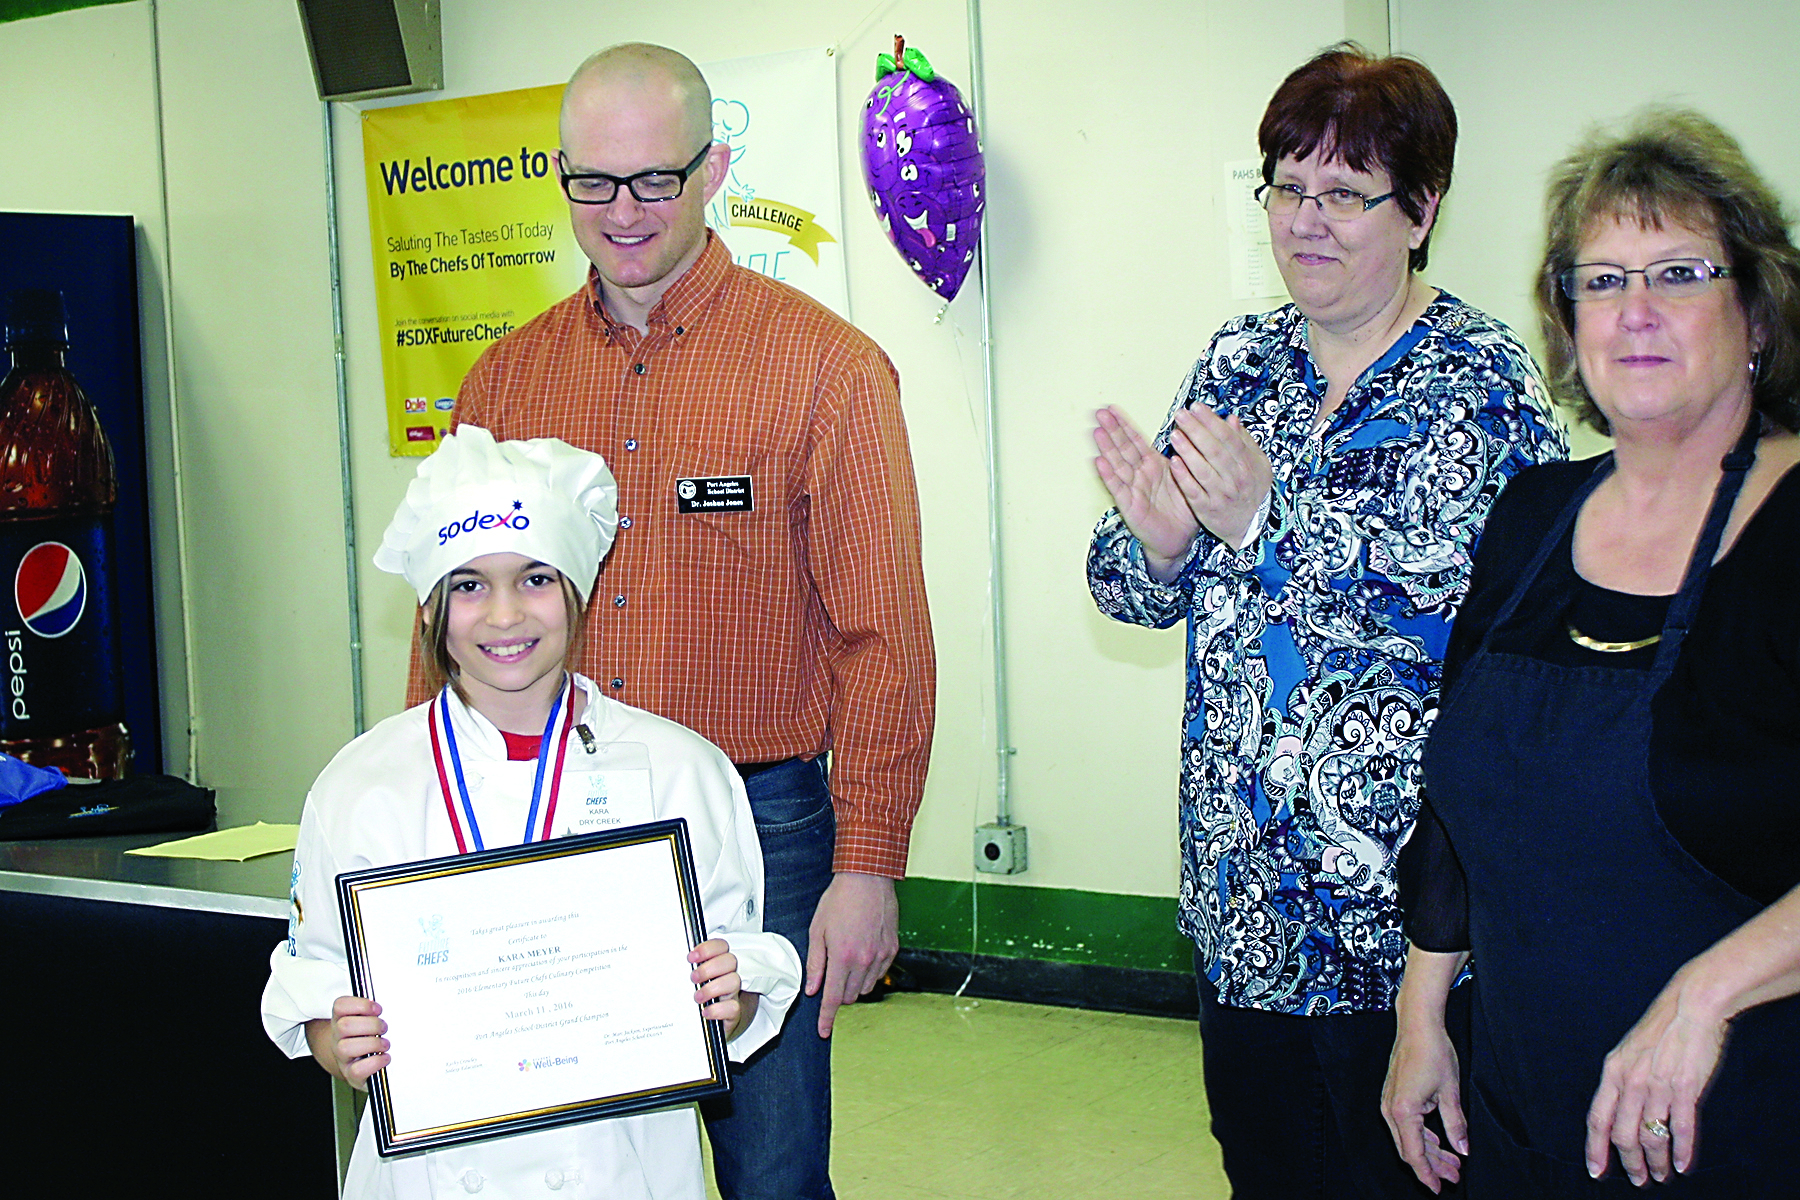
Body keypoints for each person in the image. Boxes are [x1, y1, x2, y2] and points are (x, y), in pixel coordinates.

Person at [409, 43, 935, 1200]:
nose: (624, 212)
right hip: (548, 817)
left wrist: (872, 865)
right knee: (570, 1160)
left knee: (775, 1168)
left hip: (764, 831)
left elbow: (882, 635)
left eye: (656, 179)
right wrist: (422, 838)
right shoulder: (506, 383)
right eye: (593, 182)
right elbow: (446, 622)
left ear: (716, 168)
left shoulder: (828, 372)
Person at [1085, 44, 1566, 1197]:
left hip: (1408, 943)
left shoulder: (1483, 384)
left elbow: (1494, 635)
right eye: (1286, 188)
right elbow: (1129, 586)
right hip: (1242, 920)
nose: (1306, 222)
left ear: (1422, 209)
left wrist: (1270, 524)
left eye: (1345, 195)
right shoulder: (1240, 360)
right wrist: (1153, 543)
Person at [1384, 109, 1800, 1197]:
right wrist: (1424, 1014)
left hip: (1742, 1127)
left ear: (1756, 308)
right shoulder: (1532, 519)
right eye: (1601, 282)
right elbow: (1456, 805)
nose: (1637, 312)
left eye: (1678, 272)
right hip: (1524, 1120)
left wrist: (1707, 992)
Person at [262, 426, 802, 1198]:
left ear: (578, 590)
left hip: (624, 1168)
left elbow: (739, 976)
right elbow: (315, 983)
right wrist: (334, 1042)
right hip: (430, 1176)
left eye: (537, 579)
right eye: (471, 585)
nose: (506, 616)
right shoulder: (360, 787)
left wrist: (731, 995)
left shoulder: (681, 770)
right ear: (432, 609)